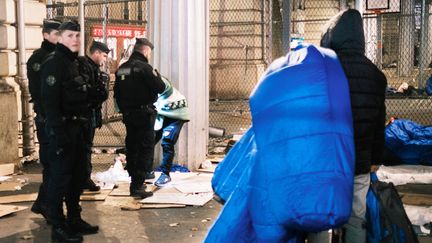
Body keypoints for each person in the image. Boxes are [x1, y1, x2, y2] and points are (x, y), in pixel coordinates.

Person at [313, 9, 387, 243]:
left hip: (327, 159)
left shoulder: (323, 69)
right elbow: (378, 124)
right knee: (357, 216)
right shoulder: (376, 75)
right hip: (360, 161)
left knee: (320, 214)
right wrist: (375, 158)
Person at [41, 20, 99, 242]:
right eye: (70, 36)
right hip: (63, 131)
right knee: (59, 180)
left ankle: (74, 219)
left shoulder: (75, 63)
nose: (75, 39)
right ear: (60, 38)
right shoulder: (53, 63)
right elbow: (50, 103)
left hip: (79, 128)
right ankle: (58, 227)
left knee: (77, 178)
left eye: (77, 36)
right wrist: (59, 133)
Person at [114, 38, 165, 198]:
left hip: (128, 115)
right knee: (145, 149)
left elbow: (117, 93)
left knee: (133, 147)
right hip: (144, 115)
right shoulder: (144, 68)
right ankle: (138, 186)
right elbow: (160, 87)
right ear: (145, 51)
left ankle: (134, 181)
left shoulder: (122, 68)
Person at [27, 18, 62, 220]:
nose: (59, 38)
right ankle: (47, 206)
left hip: (55, 118)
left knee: (56, 164)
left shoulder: (57, 57)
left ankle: (44, 203)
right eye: (56, 34)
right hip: (48, 119)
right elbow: (39, 92)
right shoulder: (39, 58)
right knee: (52, 163)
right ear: (46, 35)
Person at [78, 41, 110, 192]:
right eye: (104, 55)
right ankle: (84, 179)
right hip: (85, 114)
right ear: (96, 53)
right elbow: (91, 93)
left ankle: (83, 178)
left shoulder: (91, 67)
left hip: (88, 113)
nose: (104, 59)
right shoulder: (86, 67)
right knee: (84, 148)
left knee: (85, 148)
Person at [153, 77, 190, 186]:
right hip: (161, 112)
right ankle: (146, 171)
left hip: (175, 112)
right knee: (150, 140)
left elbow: (165, 88)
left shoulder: (155, 78)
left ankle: (165, 174)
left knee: (167, 142)